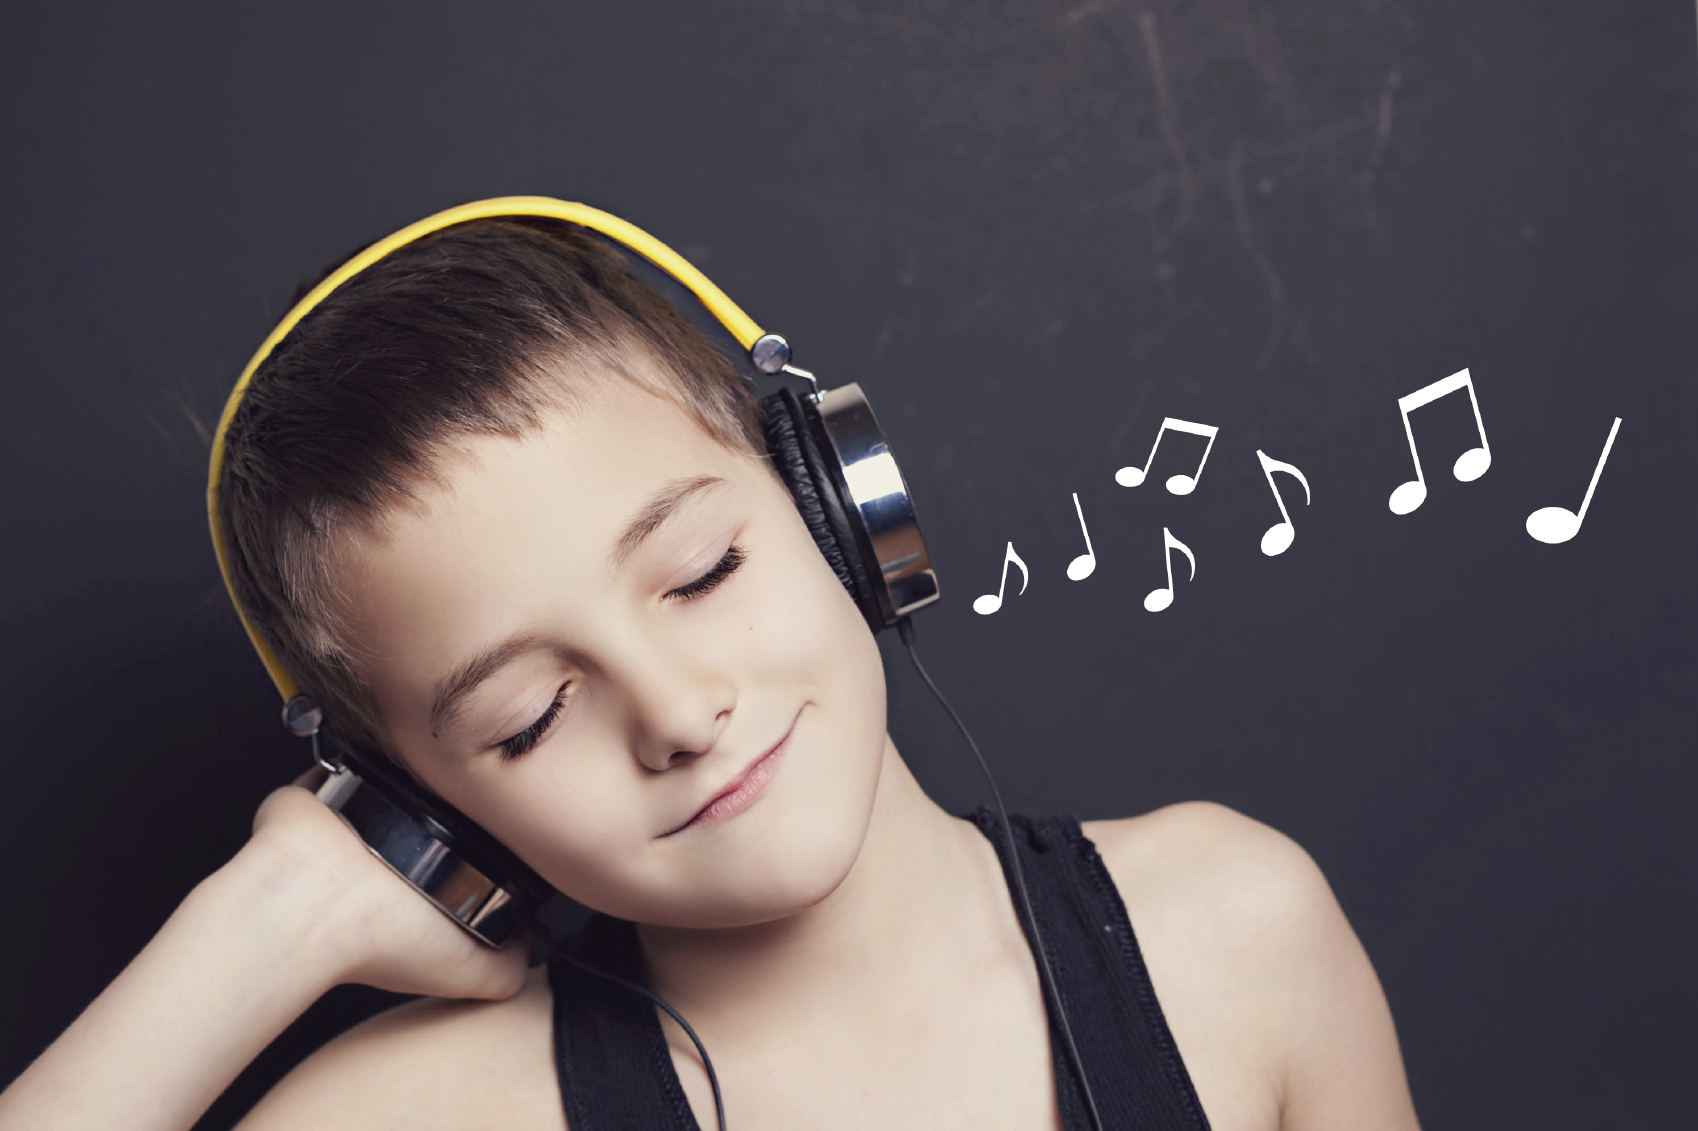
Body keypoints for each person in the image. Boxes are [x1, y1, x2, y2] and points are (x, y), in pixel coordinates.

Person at [0, 207, 1422, 1131]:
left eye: (701, 573)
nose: (677, 714)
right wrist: (270, 917)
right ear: (419, 807)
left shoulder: (1232, 936)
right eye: (528, 716)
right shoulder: (422, 1115)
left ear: (836, 508)